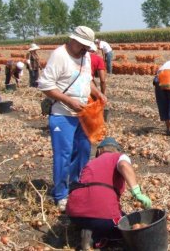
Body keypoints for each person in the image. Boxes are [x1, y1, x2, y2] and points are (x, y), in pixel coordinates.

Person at [37, 26, 106, 211]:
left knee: (84, 151)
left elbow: (86, 79)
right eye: (83, 45)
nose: (85, 49)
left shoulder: (86, 56)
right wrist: (69, 101)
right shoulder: (60, 55)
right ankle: (60, 194)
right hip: (62, 114)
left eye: (87, 46)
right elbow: (45, 85)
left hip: (83, 114)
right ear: (73, 40)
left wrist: (98, 93)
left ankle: (76, 185)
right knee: (63, 155)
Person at [66, 137, 151, 250]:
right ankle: (96, 238)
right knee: (126, 230)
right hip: (101, 214)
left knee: (97, 219)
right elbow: (124, 166)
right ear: (117, 150)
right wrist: (137, 192)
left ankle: (88, 229)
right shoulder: (119, 157)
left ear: (99, 151)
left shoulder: (90, 164)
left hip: (74, 214)